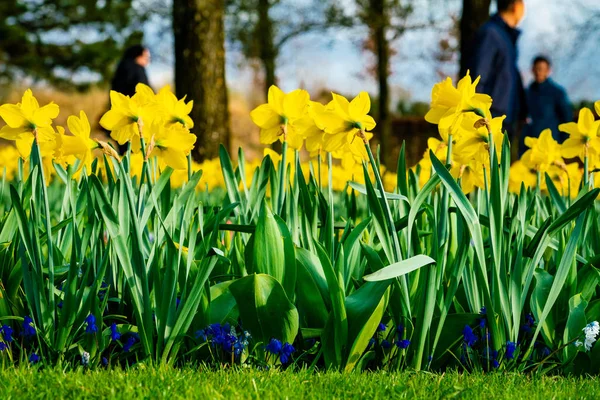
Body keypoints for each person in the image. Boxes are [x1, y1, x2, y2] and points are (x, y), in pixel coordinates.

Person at [469, 0, 527, 151]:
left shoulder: (506, 36)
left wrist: (522, 110)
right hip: (493, 114)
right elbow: (479, 77)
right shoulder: (491, 33)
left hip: (505, 114)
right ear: (516, 6)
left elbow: (510, 75)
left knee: (500, 170)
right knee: (489, 169)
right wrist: (477, 114)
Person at [521, 55, 572, 154]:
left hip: (551, 142)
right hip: (530, 143)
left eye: (541, 69)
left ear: (548, 71)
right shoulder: (528, 92)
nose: (538, 72)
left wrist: (562, 142)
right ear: (532, 70)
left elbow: (566, 117)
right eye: (536, 69)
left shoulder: (557, 92)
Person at [108, 45, 151, 153]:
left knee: (124, 152)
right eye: (146, 58)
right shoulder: (138, 69)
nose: (147, 62)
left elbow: (114, 95)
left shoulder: (120, 69)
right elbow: (144, 93)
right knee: (138, 153)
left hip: (120, 118)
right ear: (138, 56)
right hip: (138, 117)